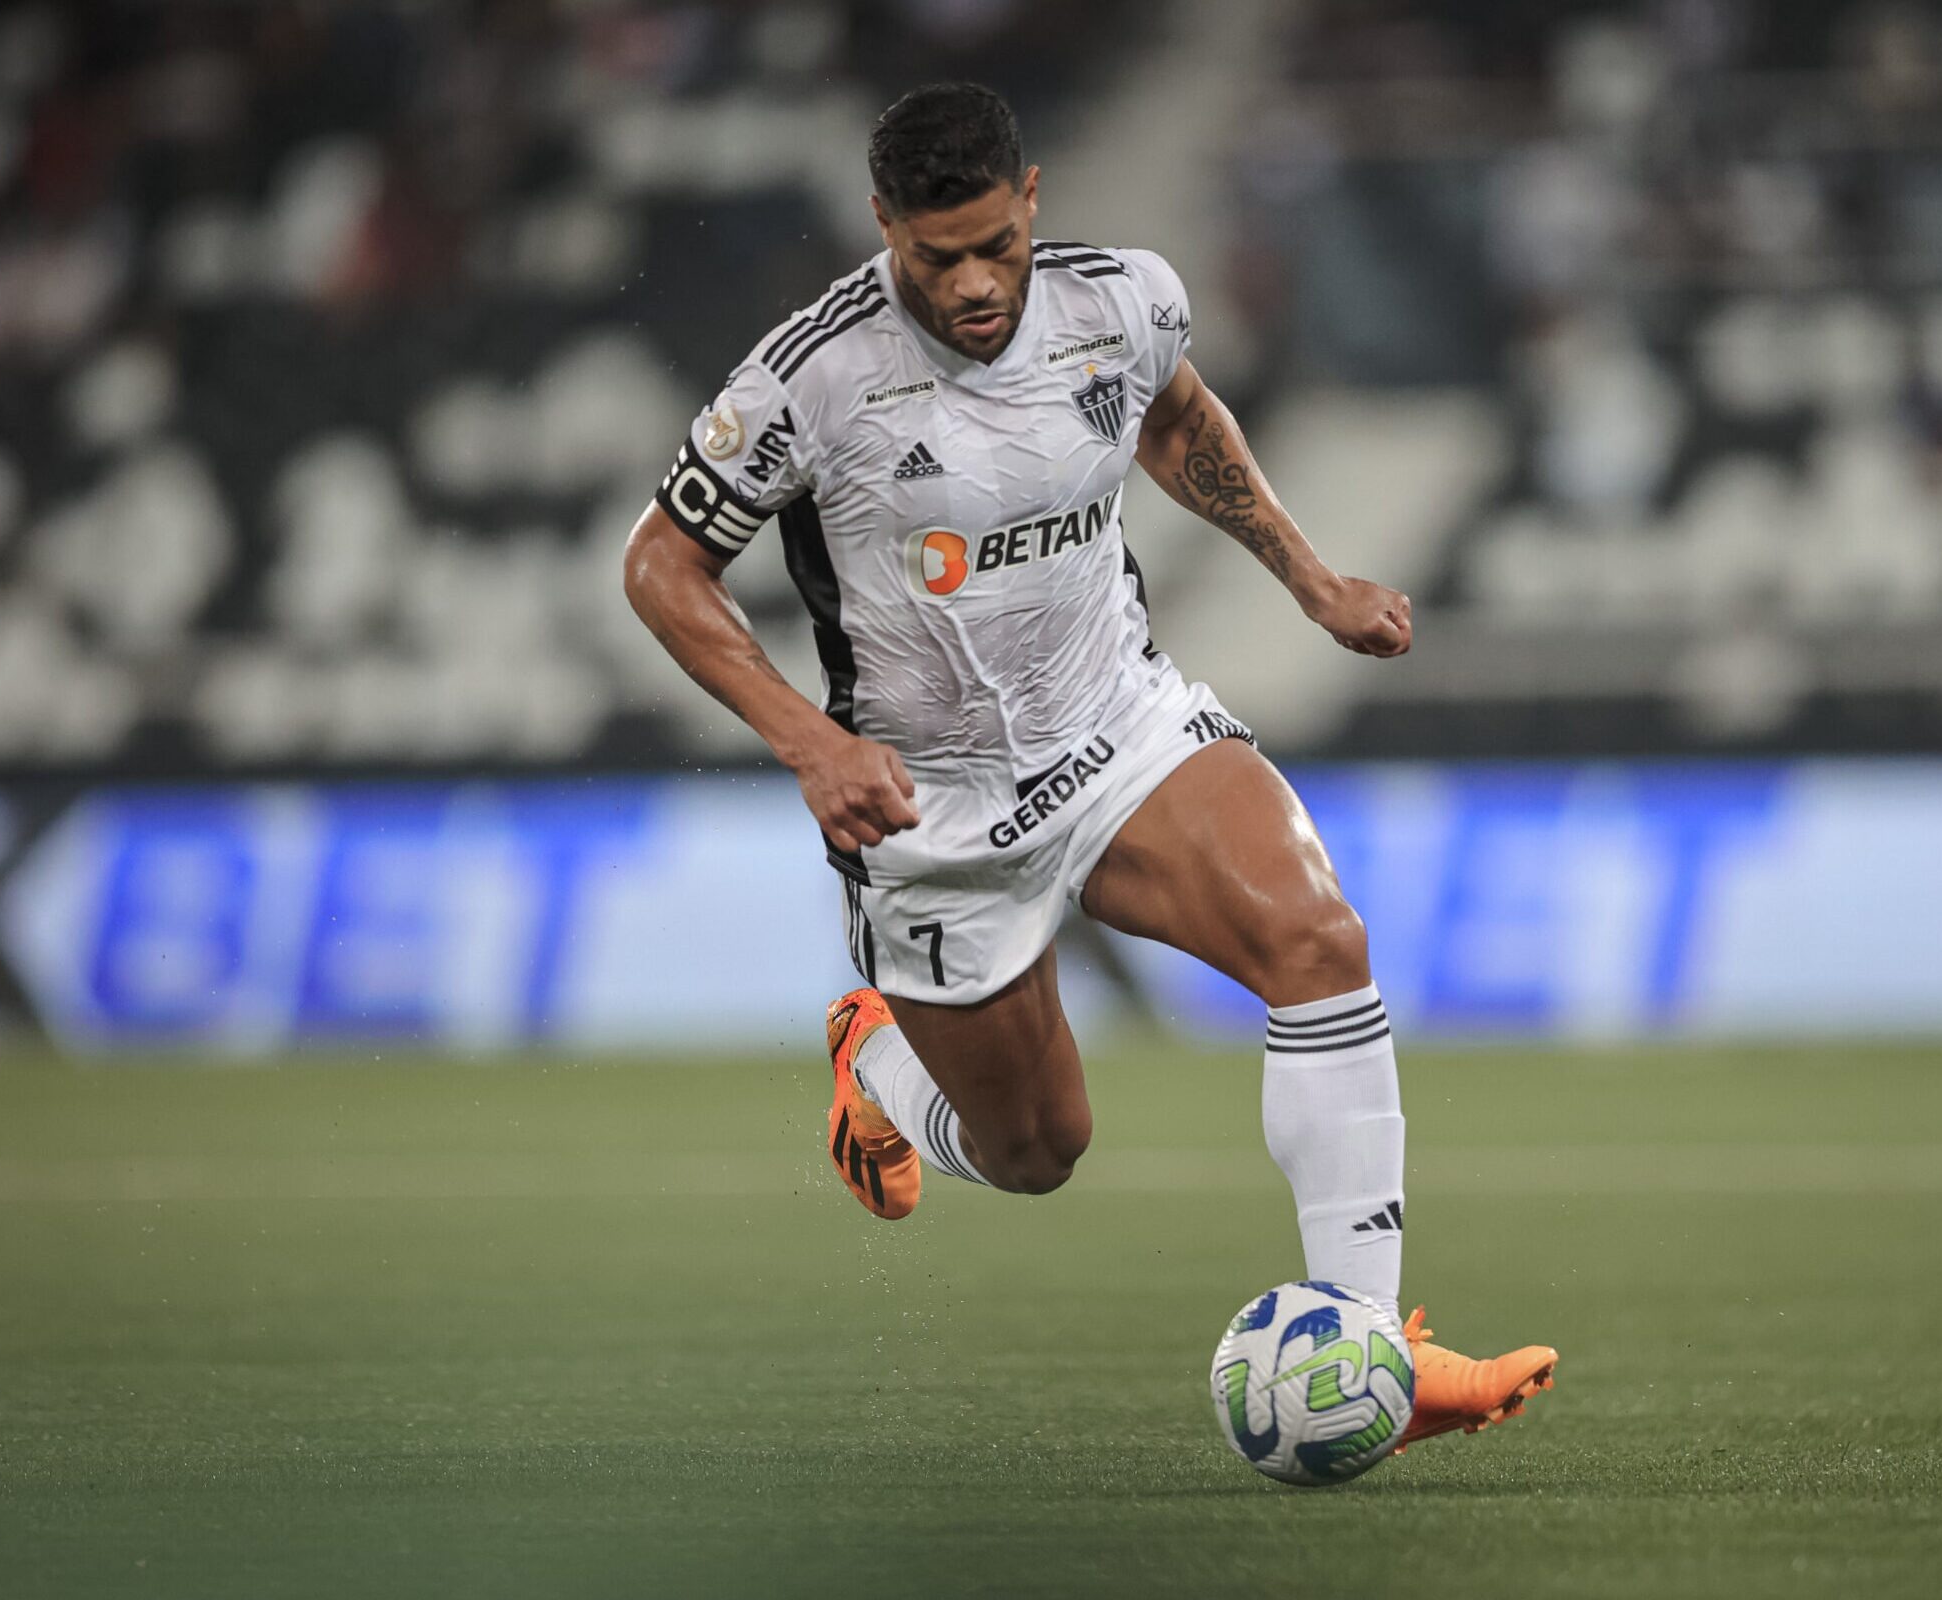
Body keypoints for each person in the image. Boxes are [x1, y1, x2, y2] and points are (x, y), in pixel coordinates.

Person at [622, 83, 1555, 1448]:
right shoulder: (809, 377)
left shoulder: (1121, 302)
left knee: (1318, 937)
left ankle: (1371, 1353)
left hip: (1117, 729)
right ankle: (881, 1072)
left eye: (995, 244)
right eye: (936, 258)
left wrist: (1311, 580)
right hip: (928, 805)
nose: (974, 282)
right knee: (1038, 1153)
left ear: (1033, 201)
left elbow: (1175, 423)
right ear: (885, 226)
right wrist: (810, 743)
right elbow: (660, 564)